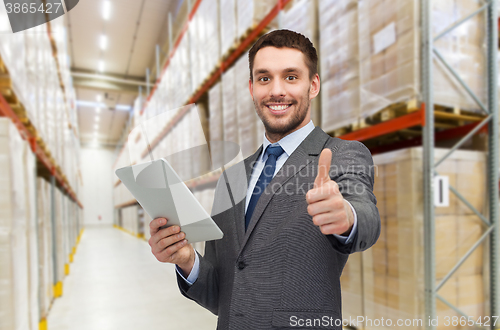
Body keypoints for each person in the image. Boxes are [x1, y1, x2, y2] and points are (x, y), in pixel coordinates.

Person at [149, 29, 380, 329]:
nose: (277, 91)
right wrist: (186, 259)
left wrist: (347, 217)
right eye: (264, 78)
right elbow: (220, 293)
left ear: (313, 85)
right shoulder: (231, 179)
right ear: (251, 88)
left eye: (291, 77)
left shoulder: (341, 155)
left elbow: (366, 214)